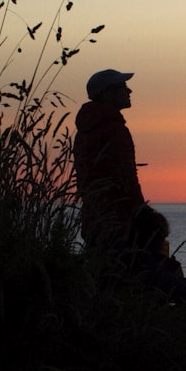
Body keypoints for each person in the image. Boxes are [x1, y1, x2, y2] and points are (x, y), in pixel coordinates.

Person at [73, 69, 146, 250]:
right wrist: (142, 214)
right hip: (119, 220)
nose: (129, 92)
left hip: (94, 218)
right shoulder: (114, 130)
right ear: (107, 94)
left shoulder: (85, 130)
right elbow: (127, 177)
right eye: (123, 87)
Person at [121, 204, 186, 316]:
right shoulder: (151, 267)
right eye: (163, 238)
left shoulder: (117, 255)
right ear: (157, 239)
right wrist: (171, 268)